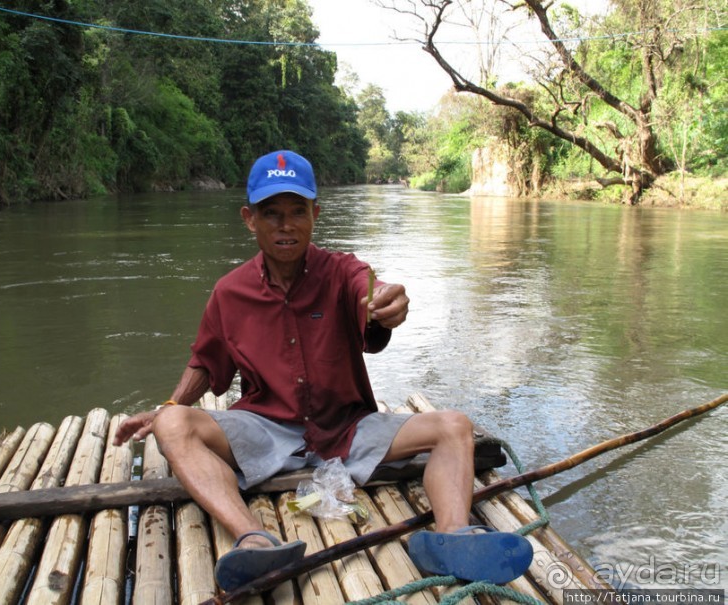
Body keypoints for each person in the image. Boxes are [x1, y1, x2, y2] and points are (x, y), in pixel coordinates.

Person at [113, 150, 532, 591]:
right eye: (271, 213)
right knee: (173, 422)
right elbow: (205, 361)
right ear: (249, 219)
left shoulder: (344, 271)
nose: (286, 224)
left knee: (454, 425)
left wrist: (388, 301)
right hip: (265, 428)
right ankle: (253, 539)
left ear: (315, 213)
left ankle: (451, 537)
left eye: (297, 211)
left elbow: (371, 291)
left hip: (349, 428)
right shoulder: (229, 292)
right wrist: (171, 404)